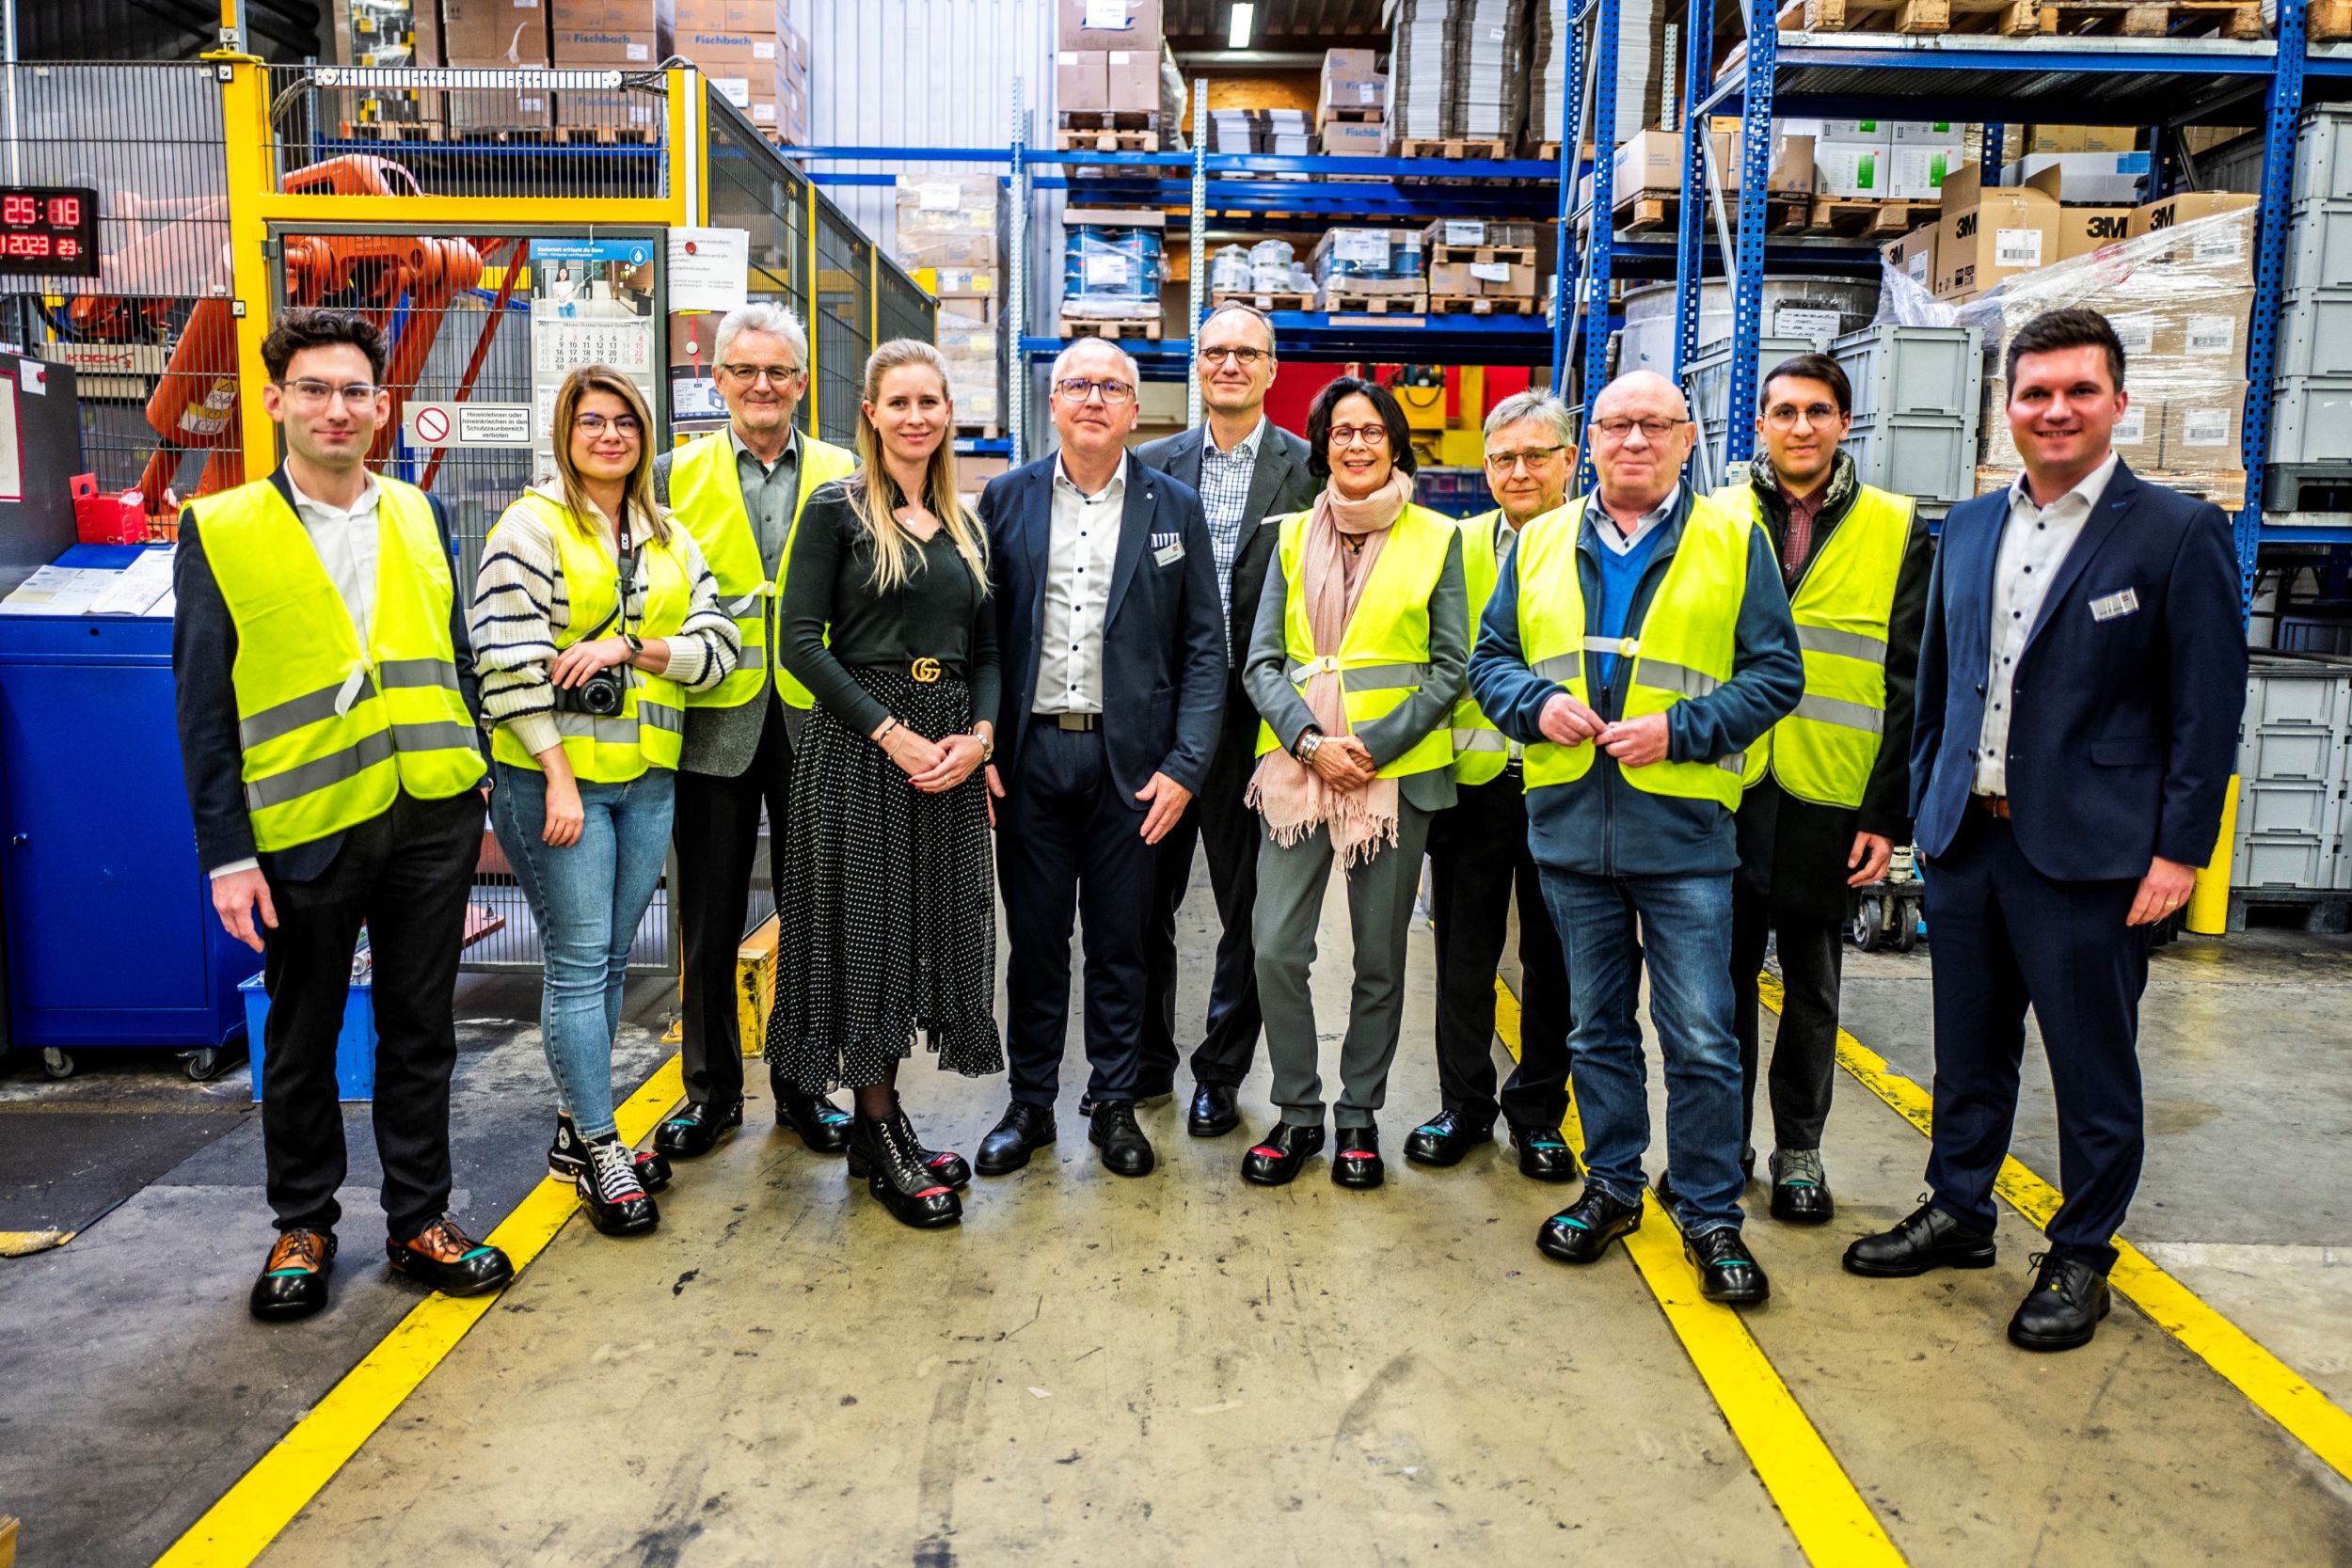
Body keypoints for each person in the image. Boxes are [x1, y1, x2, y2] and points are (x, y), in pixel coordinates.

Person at [1844, 308, 2245, 1352]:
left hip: (2093, 853)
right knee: (1968, 1052)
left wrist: (2179, 850)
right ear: (2005, 407)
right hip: (1967, 840)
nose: (2054, 410)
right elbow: (1934, 684)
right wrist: (1919, 811)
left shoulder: (2175, 531)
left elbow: (2206, 708)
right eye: (2034, 393)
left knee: (2089, 1066)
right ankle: (1959, 1209)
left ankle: (2080, 1252)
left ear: (2118, 402)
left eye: (2076, 391)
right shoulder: (1970, 527)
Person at [172, 307, 515, 1321]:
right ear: (275, 401)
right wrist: (226, 853)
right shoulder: (223, 528)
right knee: (303, 1033)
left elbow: (448, 653)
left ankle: (419, 1219)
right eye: (314, 389)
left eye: (354, 390)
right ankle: (305, 1221)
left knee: (421, 1030)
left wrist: (477, 765)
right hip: (305, 827)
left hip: (430, 815)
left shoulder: (418, 511)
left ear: (382, 404)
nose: (336, 408)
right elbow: (202, 707)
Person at [1469, 370, 1802, 1306]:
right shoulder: (1537, 544)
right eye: (1614, 425)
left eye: (1653, 424)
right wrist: (1536, 705)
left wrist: (1681, 732)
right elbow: (1490, 661)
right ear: (1590, 444)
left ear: (1687, 438)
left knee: (1700, 1033)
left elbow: (1776, 673)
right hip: (1572, 831)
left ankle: (1708, 1213)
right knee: (1593, 1028)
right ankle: (1611, 1183)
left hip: (1684, 832)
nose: (1633, 441)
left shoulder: (1734, 539)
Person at [474, 366, 740, 1237]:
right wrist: (554, 775)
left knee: (612, 962)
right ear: (566, 431)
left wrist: (637, 648)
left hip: (648, 780)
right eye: (593, 422)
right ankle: (599, 1144)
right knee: (582, 963)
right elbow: (506, 665)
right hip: (563, 789)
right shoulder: (530, 526)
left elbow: (720, 645)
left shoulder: (667, 533)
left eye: (626, 422)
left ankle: (570, 1130)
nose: (612, 436)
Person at [977, 340, 1225, 1180]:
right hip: (1031, 756)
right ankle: (1031, 1104)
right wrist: (980, 743)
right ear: (1052, 403)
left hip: (1135, 768)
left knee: (1123, 944)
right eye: (1077, 384)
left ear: (1134, 409)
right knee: (1037, 943)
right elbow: (979, 638)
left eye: (1112, 387)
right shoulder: (1004, 501)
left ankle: (1116, 1102)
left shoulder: (1173, 508)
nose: (1094, 398)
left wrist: (1187, 766)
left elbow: (1203, 651)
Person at [767, 340, 1000, 1228]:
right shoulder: (837, 511)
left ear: (948, 414)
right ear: (870, 413)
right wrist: (892, 731)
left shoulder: (969, 525)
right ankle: (877, 1127)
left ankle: (882, 1126)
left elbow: (986, 650)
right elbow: (800, 642)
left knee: (918, 935)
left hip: (946, 757)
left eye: (929, 402)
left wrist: (977, 739)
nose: (915, 418)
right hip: (865, 755)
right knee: (869, 938)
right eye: (897, 402)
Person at [1714, 354, 1931, 1223]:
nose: (1799, 426)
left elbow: (1909, 681)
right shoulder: (1715, 518)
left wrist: (1887, 816)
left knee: (1812, 989)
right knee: (1716, 989)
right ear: (1759, 425)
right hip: (1727, 790)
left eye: (1817, 410)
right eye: (1783, 411)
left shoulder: (1895, 526)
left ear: (1845, 422)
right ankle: (1718, 1148)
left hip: (1831, 797)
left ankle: (1798, 1154)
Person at [1240, 377, 1468, 1191]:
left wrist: (1367, 747)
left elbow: (1451, 667)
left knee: (1379, 957)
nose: (1358, 444)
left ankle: (1359, 1113)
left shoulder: (1439, 539)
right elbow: (1261, 661)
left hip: (1391, 776)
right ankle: (1298, 1111)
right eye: (1342, 432)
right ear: (1322, 444)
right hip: (1298, 769)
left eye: (1373, 431)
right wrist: (1308, 740)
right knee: (1275, 947)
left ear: (1396, 444)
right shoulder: (1291, 535)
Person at [651, 302, 858, 1164]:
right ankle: (711, 1092)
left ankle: (805, 1088)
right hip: (714, 718)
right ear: (719, 381)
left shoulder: (851, 471)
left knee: (817, 911)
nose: (762, 386)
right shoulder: (671, 474)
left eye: (779, 372)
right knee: (708, 914)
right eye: (745, 371)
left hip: (817, 714)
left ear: (803, 383)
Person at [1134, 303, 1315, 1139]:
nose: (1231, 364)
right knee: (1142, 896)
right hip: (1162, 717)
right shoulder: (1150, 466)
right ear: (1195, 367)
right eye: (1215, 351)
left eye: (1248, 352)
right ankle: (1142, 1057)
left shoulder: (1310, 474)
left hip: (1258, 719)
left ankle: (1221, 1069)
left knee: (1246, 907)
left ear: (1273, 369)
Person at [1405, 390, 1580, 1184]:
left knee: (1557, 962)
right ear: (1486, 465)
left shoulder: (1596, 546)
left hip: (1567, 784)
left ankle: (1539, 1115)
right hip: (1475, 785)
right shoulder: (1456, 545)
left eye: (1536, 455)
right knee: (1463, 957)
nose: (1519, 471)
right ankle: (1464, 1105)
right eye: (1504, 457)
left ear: (1568, 462)